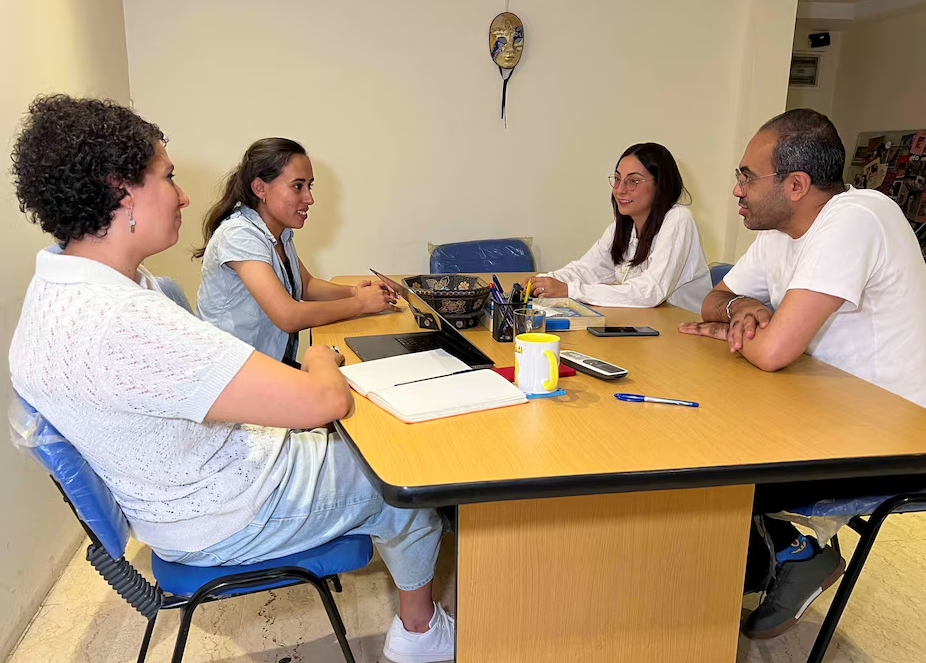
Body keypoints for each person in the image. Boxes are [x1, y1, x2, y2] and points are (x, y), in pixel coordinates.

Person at [9, 95, 453, 663]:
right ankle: (420, 637)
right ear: (122, 190)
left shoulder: (64, 291)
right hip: (224, 511)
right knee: (403, 478)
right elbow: (323, 399)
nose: (184, 193)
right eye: (167, 176)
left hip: (192, 485)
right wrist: (324, 361)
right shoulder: (122, 322)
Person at [680, 108, 926, 640]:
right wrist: (742, 312)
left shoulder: (857, 216)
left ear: (796, 184)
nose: (736, 189)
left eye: (747, 175)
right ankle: (779, 556)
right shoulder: (780, 229)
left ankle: (792, 555)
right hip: (820, 408)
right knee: (688, 428)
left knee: (696, 473)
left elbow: (771, 354)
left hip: (892, 439)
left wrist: (751, 336)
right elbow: (713, 300)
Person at [195, 137, 398, 366]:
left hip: (263, 366)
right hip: (230, 375)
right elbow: (287, 315)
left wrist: (354, 292)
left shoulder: (278, 232)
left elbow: (306, 286)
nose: (309, 198)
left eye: (309, 186)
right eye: (297, 186)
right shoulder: (239, 235)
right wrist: (360, 304)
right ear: (260, 188)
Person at [525, 143, 711, 313]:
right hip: (648, 322)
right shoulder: (623, 225)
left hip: (682, 331)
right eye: (617, 178)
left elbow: (651, 291)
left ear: (660, 184)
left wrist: (569, 291)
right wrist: (543, 281)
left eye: (633, 181)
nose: (620, 189)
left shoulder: (678, 219)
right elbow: (588, 269)